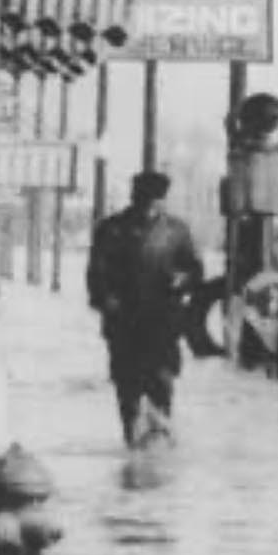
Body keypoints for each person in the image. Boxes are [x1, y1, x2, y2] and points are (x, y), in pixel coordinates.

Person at [86, 171, 204, 447]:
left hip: (162, 322)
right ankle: (131, 438)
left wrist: (183, 279)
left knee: (162, 380)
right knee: (127, 385)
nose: (151, 207)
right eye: (145, 200)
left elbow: (194, 269)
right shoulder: (112, 229)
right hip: (124, 322)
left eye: (156, 201)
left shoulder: (176, 231)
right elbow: (95, 275)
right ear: (135, 198)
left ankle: (160, 438)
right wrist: (106, 299)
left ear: (163, 200)